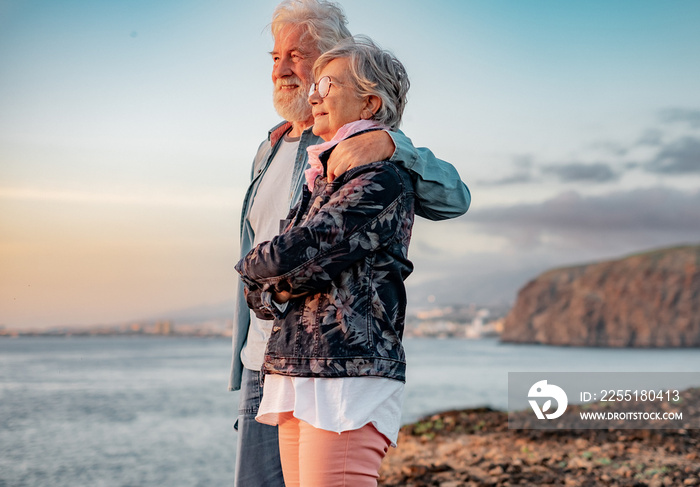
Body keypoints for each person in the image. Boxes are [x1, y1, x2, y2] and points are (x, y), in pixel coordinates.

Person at [228, 1, 470, 485]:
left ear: (327, 56)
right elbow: (262, 257)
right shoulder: (269, 149)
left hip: (333, 365)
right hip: (269, 359)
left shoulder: (368, 152)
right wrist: (258, 284)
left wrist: (392, 144)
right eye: (275, 57)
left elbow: (455, 197)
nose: (284, 69)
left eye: (299, 56)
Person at [236, 36, 416, 486]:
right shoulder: (324, 176)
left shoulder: (382, 176)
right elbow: (280, 271)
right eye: (314, 85)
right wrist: (270, 277)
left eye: (328, 85)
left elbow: (305, 249)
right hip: (298, 365)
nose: (313, 95)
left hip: (346, 374)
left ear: (370, 101)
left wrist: (254, 268)